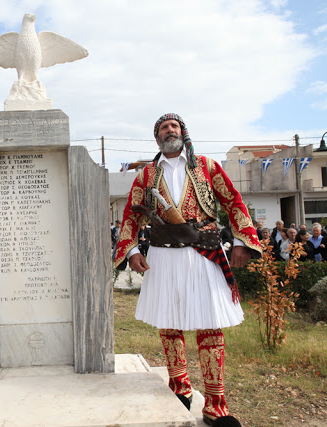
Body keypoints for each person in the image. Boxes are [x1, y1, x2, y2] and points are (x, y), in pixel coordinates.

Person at [115, 113, 260, 426]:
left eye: (175, 126)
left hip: (204, 250)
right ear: (157, 138)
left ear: (183, 132)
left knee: (210, 325)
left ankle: (216, 407)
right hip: (163, 255)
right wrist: (131, 250)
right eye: (164, 128)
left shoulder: (207, 166)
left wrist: (241, 241)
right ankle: (179, 388)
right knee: (169, 323)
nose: (170, 130)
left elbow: (233, 201)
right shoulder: (146, 175)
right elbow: (130, 214)